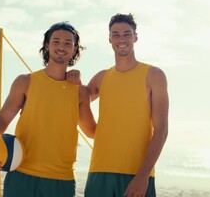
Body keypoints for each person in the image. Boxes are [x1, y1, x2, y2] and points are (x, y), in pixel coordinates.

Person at [0, 21, 96, 197]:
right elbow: (4, 117)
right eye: (56, 41)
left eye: (67, 43)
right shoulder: (25, 82)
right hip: (22, 174)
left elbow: (92, 131)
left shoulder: (80, 92)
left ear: (75, 49)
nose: (61, 46)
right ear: (46, 45)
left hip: (61, 179)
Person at [68, 13, 169, 197]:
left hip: (136, 175)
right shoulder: (102, 78)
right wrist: (74, 80)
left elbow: (161, 130)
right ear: (109, 39)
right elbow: (77, 102)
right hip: (99, 171)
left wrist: (143, 175)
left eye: (126, 34)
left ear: (135, 37)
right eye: (116, 34)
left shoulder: (154, 76)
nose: (121, 39)